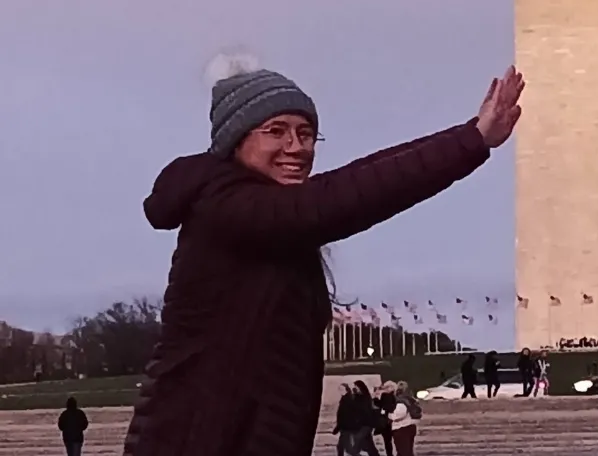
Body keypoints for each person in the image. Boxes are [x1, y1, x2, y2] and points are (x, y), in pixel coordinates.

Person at [121, 59, 524, 456]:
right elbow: (349, 193)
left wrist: (470, 135)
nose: (296, 148)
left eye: (307, 133)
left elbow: (360, 175)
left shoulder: (268, 220)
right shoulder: (225, 209)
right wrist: (471, 140)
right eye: (276, 132)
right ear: (235, 141)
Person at [388, 381, 421, 456]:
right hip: (410, 427)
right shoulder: (411, 399)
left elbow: (396, 416)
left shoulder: (401, 402)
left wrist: (388, 414)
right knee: (407, 451)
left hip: (402, 428)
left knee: (403, 452)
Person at [375, 381, 397, 456]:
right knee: (388, 441)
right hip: (388, 421)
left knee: (387, 440)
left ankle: (390, 454)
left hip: (386, 421)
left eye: (387, 387)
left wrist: (383, 410)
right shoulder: (390, 396)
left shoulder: (387, 396)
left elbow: (382, 406)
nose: (386, 389)